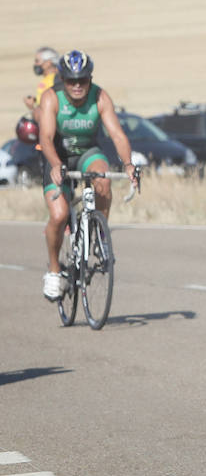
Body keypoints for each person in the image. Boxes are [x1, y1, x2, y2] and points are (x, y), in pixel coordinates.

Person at [35, 51, 136, 301]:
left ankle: (100, 236)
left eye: (83, 80)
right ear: (63, 80)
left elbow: (118, 135)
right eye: (71, 81)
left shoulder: (100, 96)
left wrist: (129, 165)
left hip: (87, 152)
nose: (77, 86)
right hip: (57, 156)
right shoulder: (51, 98)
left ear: (90, 79)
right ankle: (54, 270)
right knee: (58, 215)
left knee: (103, 178)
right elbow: (45, 139)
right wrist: (56, 164)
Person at [23, 47, 59, 115]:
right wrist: (36, 100)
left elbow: (49, 111)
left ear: (48, 63)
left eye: (37, 61)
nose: (35, 64)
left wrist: (32, 108)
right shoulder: (47, 80)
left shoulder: (55, 80)